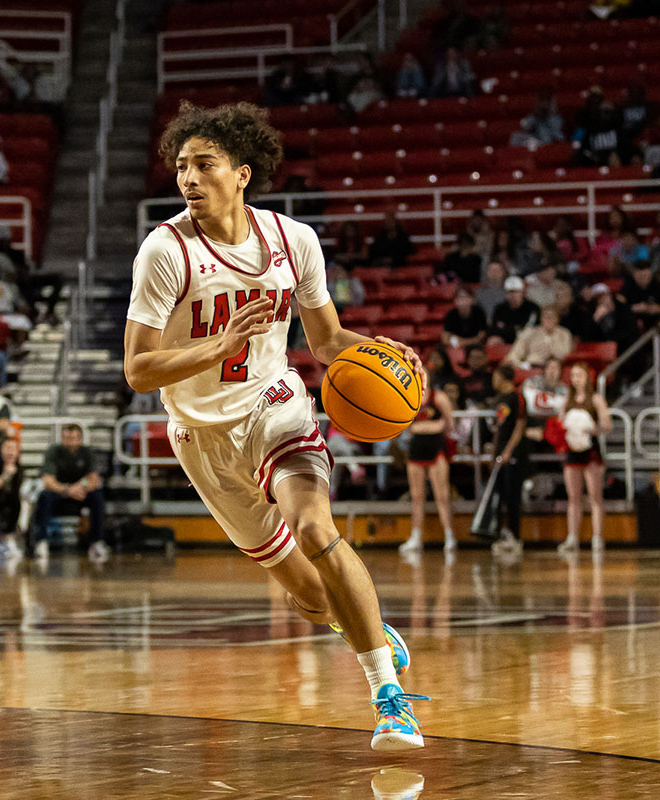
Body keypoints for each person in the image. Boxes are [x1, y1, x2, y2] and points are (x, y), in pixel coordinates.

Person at [124, 101, 426, 750]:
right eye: (180, 167)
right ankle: (364, 625)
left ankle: (388, 697)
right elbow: (138, 369)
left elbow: (325, 341)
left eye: (204, 165)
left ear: (242, 172)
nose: (188, 179)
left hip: (275, 408)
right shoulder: (165, 250)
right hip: (201, 440)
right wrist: (213, 347)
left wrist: (379, 347)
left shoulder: (294, 240)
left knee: (316, 528)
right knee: (312, 600)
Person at [398, 374, 457, 556]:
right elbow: (404, 425)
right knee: (416, 496)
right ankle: (416, 537)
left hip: (435, 448)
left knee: (442, 495)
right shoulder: (408, 397)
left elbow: (449, 423)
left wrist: (426, 428)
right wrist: (430, 426)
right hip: (416, 449)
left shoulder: (438, 397)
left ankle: (449, 536)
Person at [557, 364, 612, 556]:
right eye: (572, 375)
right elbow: (559, 423)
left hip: (590, 451)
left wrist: (592, 427)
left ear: (588, 377)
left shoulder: (595, 399)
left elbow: (607, 424)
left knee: (595, 496)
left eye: (579, 375)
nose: (576, 379)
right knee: (573, 497)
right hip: (573, 451)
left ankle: (597, 537)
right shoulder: (568, 399)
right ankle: (572, 537)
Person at [34, 424, 106, 562]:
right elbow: (48, 480)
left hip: (80, 493)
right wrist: (67, 490)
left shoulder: (87, 453)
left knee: (97, 496)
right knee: (45, 496)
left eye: (74, 438)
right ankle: (41, 542)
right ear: (62, 438)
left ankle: (97, 542)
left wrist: (79, 486)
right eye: (68, 438)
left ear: (80, 439)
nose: (71, 441)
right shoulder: (54, 452)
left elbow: (93, 479)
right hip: (60, 492)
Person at [486, 365, 528, 558]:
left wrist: (508, 451)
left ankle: (515, 536)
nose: (493, 380)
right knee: (500, 495)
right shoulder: (499, 399)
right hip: (500, 454)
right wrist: (494, 453)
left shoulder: (517, 397)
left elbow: (519, 426)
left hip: (514, 454)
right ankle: (502, 534)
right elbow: (498, 429)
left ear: (503, 377)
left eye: (495, 376)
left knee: (513, 496)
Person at [506, 306, 573, 367]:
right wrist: (520, 364)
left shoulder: (564, 334)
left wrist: (549, 341)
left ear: (557, 319)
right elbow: (515, 354)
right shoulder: (530, 333)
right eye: (546, 316)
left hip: (556, 368)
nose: (549, 319)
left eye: (552, 317)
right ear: (541, 319)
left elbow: (565, 354)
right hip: (532, 367)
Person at [488, 276, 540, 345]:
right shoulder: (499, 308)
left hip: (527, 339)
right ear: (505, 294)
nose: (513, 295)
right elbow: (495, 329)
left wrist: (506, 327)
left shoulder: (533, 308)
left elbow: (530, 327)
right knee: (493, 341)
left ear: (522, 293)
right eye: (510, 292)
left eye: (516, 292)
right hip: (505, 339)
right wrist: (515, 328)